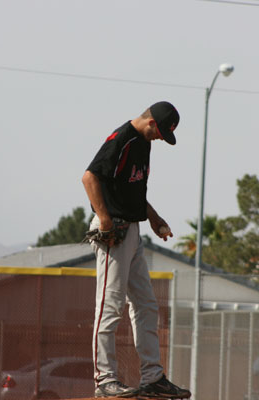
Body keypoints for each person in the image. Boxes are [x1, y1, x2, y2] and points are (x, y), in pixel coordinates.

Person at [82, 101, 191, 399]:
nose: (161, 139)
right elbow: (90, 177)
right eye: (161, 133)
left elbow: (132, 190)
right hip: (113, 231)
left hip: (132, 228)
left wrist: (154, 218)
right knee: (110, 306)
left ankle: (152, 378)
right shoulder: (122, 139)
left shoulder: (144, 143)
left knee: (146, 305)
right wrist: (105, 219)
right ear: (152, 123)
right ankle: (105, 380)